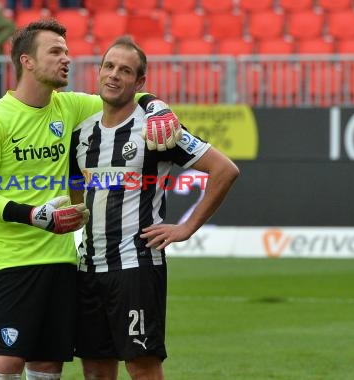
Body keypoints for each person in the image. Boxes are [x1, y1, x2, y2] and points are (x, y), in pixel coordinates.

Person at [0, 19, 181, 380]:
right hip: (11, 262)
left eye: (66, 51)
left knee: (47, 365)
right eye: (55, 52)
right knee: (6, 364)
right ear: (26, 61)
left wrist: (158, 106)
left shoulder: (71, 108)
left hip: (65, 262)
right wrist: (34, 215)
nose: (67, 59)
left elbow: (124, 92)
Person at [70, 36, 239, 380]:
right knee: (95, 370)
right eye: (109, 66)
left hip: (136, 267)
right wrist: (76, 213)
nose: (114, 75)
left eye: (125, 70)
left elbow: (225, 170)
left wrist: (186, 228)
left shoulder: (158, 128)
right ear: (99, 72)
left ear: (139, 82)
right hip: (88, 267)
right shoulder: (81, 133)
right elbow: (76, 184)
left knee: (142, 367)